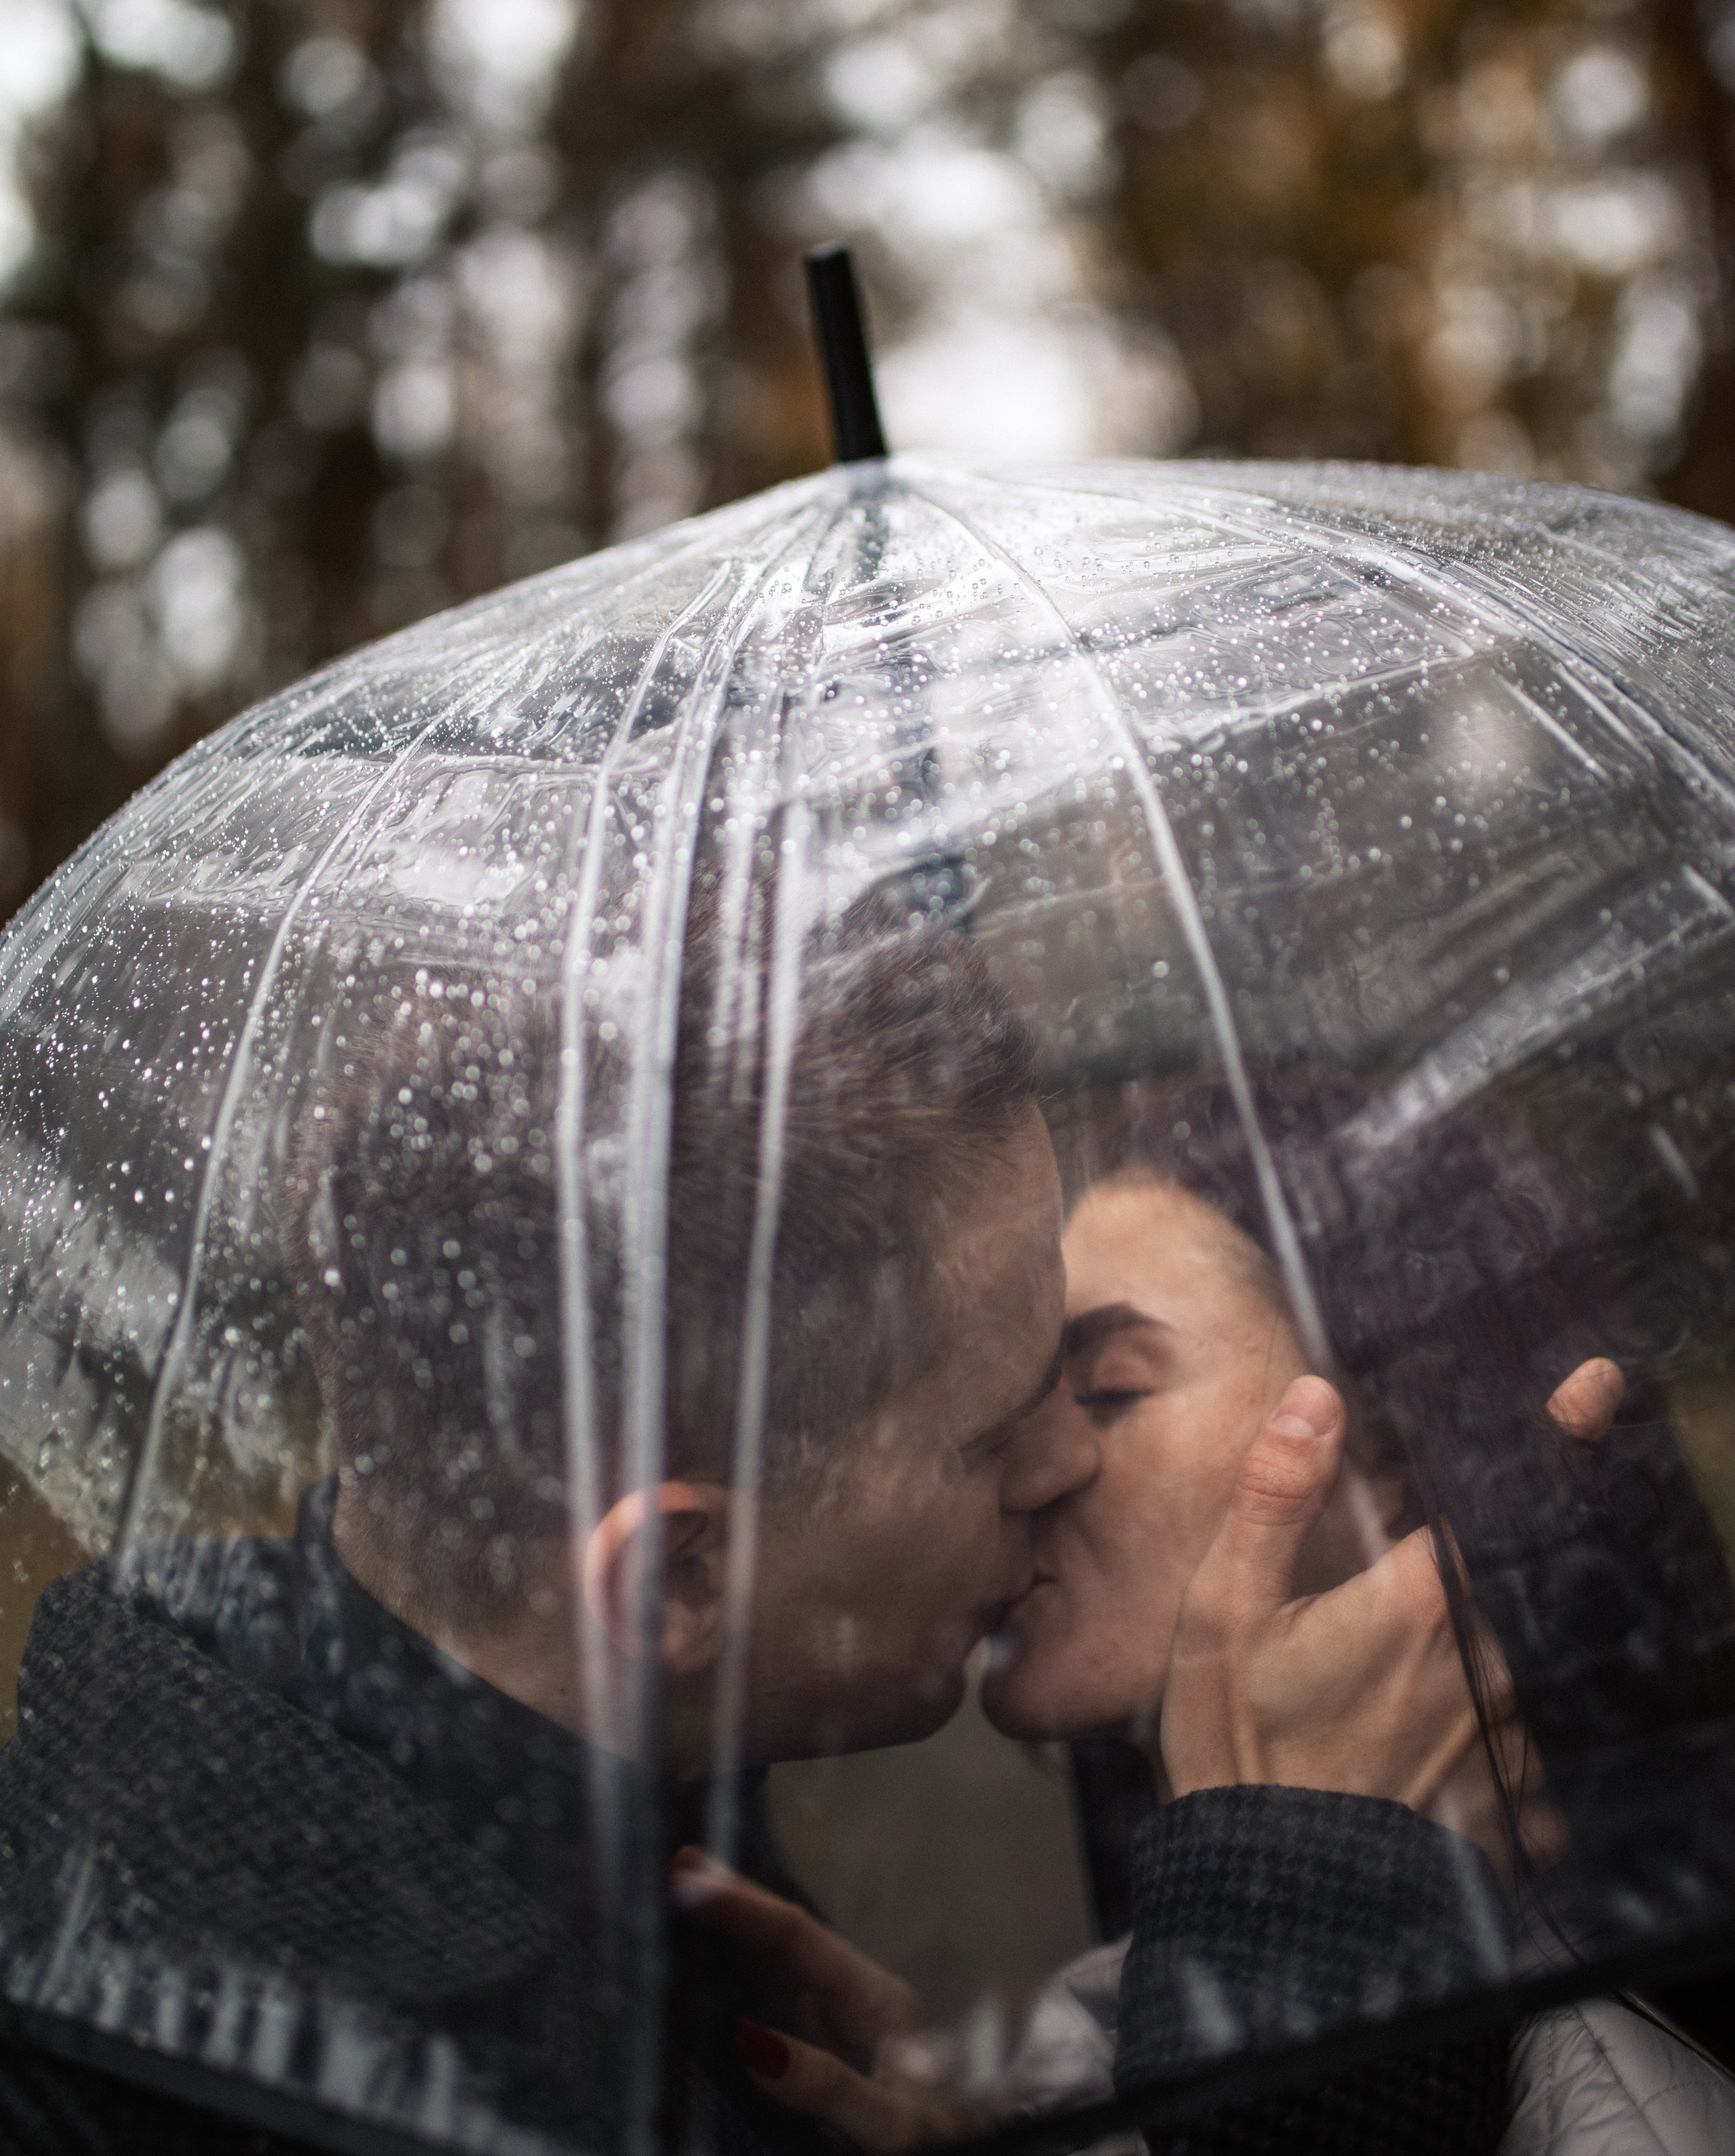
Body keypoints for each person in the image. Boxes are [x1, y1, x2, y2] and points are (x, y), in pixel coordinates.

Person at [0, 911, 1546, 2156]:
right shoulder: (304, 2086)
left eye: (1101, 1385)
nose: (1066, 1459)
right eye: (1001, 1428)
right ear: (677, 1580)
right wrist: (1309, 2028)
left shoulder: (573, 1845)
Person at [680, 1088, 1735, 2155]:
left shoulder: (1614, 2071)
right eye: (1009, 1408)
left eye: (1107, 1388)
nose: (1040, 1468)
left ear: (1405, 1460)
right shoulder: (1127, 2011)